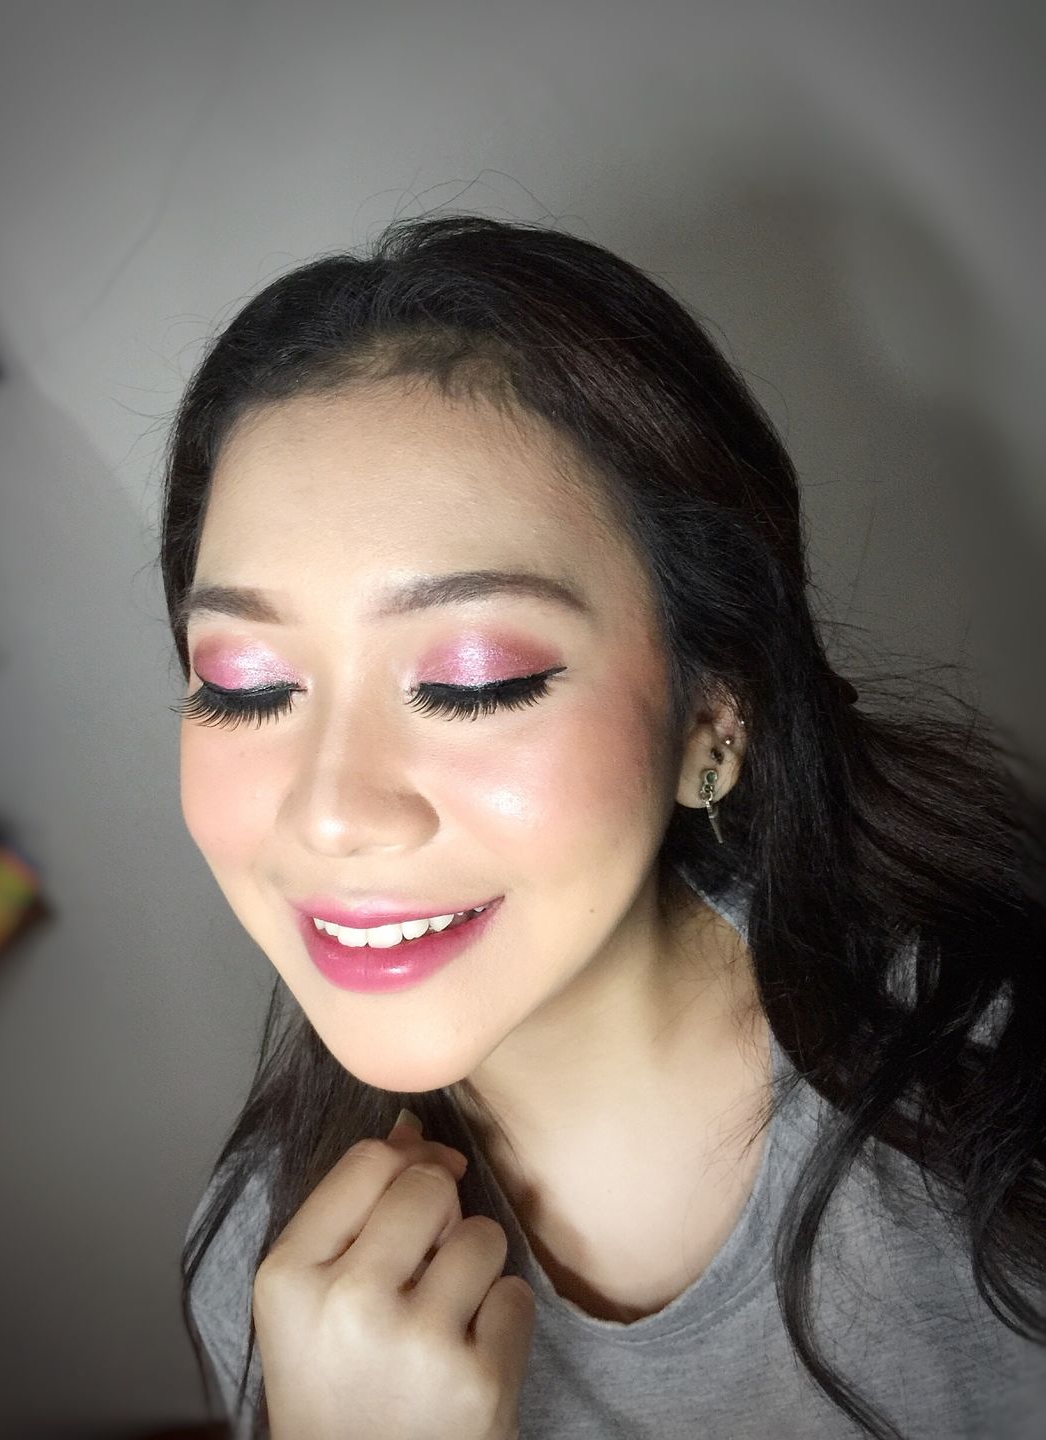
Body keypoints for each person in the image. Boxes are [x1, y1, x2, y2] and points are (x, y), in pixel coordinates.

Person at [163, 214, 1046, 1438]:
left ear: (710, 719)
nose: (332, 812)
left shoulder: (1007, 1117)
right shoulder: (262, 1277)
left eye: (471, 681)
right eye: (248, 687)